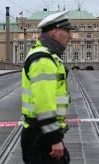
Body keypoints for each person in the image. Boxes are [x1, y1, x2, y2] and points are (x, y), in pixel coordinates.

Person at [21, 10, 75, 164]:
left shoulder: (49, 57)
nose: (70, 36)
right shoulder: (43, 60)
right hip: (41, 135)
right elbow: (44, 105)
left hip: (41, 133)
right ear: (56, 32)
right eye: (68, 31)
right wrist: (54, 139)